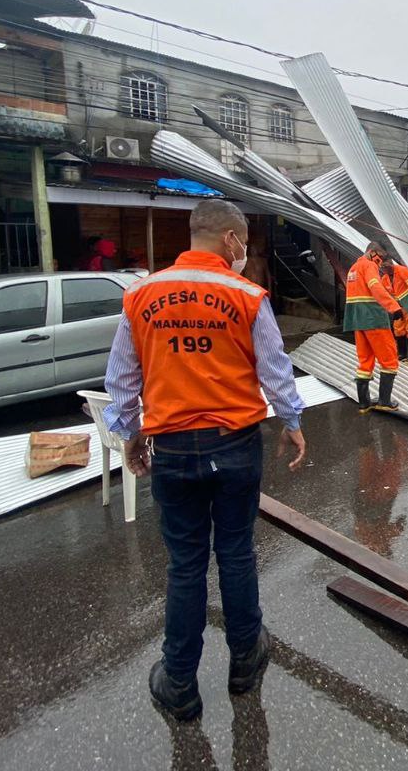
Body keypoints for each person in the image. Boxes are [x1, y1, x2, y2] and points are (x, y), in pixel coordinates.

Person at [104, 199, 307, 720]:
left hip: (171, 448)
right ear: (232, 241)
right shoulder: (246, 295)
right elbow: (274, 367)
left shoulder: (140, 295)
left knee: (186, 564)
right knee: (236, 553)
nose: (246, 254)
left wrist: (130, 434)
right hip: (234, 445)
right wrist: (292, 421)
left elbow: (123, 380)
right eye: (245, 245)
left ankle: (179, 683)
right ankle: (245, 663)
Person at [345, 242, 404, 412]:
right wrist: (394, 307)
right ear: (372, 253)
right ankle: (384, 401)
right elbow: (376, 287)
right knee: (390, 359)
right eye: (381, 257)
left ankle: (364, 403)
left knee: (365, 362)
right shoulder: (369, 265)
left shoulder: (353, 269)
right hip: (374, 320)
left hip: (358, 322)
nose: (382, 261)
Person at [381, 258, 408, 366]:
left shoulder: (402, 271)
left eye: (387, 266)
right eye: (383, 267)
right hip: (398, 308)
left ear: (391, 263)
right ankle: (402, 355)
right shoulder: (385, 279)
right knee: (398, 330)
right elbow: (383, 294)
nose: (386, 269)